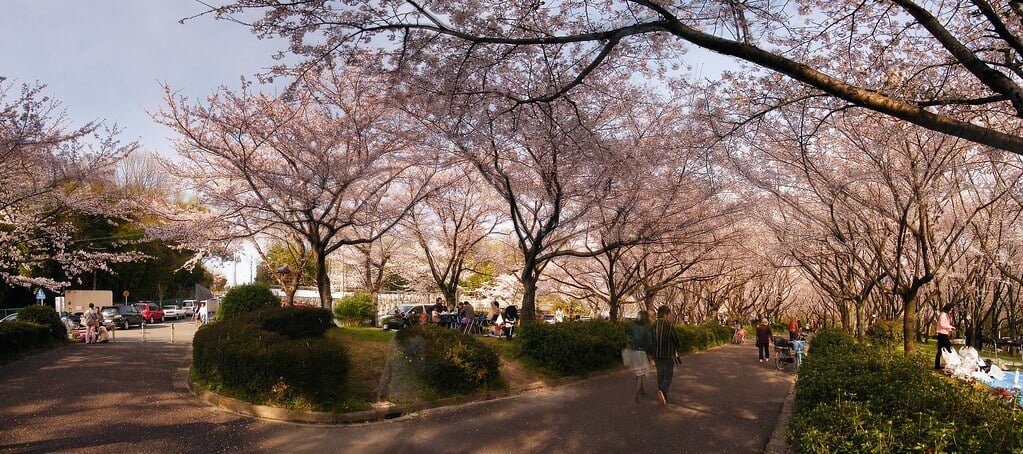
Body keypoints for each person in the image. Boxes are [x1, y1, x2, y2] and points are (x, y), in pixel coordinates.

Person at [651, 305, 680, 405]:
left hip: (656, 355)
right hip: (667, 355)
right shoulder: (669, 325)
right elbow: (676, 339)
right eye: (669, 315)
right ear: (665, 315)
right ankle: (662, 391)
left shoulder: (653, 325)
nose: (669, 317)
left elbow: (650, 340)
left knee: (660, 375)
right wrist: (676, 346)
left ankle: (663, 396)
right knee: (668, 375)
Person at [626, 311, 653, 402]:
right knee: (640, 374)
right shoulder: (646, 328)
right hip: (641, 352)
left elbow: (628, 337)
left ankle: (642, 390)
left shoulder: (632, 326)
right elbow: (649, 342)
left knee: (638, 373)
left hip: (633, 352)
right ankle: (637, 394)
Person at [935, 303, 955, 370]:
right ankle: (952, 364)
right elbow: (942, 324)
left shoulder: (945, 315)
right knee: (949, 349)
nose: (951, 311)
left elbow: (945, 325)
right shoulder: (943, 315)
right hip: (942, 334)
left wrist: (950, 329)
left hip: (943, 334)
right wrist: (951, 327)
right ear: (948, 309)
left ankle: (937, 366)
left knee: (940, 350)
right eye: (951, 310)